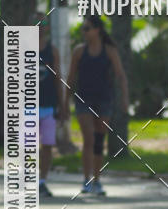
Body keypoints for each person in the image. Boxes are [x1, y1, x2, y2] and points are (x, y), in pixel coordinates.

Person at [66, 15, 128, 196]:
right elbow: (70, 78)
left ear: (97, 30)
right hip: (83, 100)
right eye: (83, 29)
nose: (84, 32)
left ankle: (97, 181)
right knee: (89, 139)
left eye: (87, 28)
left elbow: (120, 75)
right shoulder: (79, 51)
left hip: (104, 100)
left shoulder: (109, 51)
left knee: (99, 141)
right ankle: (86, 179)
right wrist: (64, 103)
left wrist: (124, 99)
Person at [35, 13, 67, 198]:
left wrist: (62, 106)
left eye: (43, 22)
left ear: (46, 27)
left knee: (47, 145)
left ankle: (42, 181)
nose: (39, 26)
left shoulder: (51, 50)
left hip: (48, 105)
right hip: (28, 106)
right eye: (36, 22)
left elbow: (58, 78)